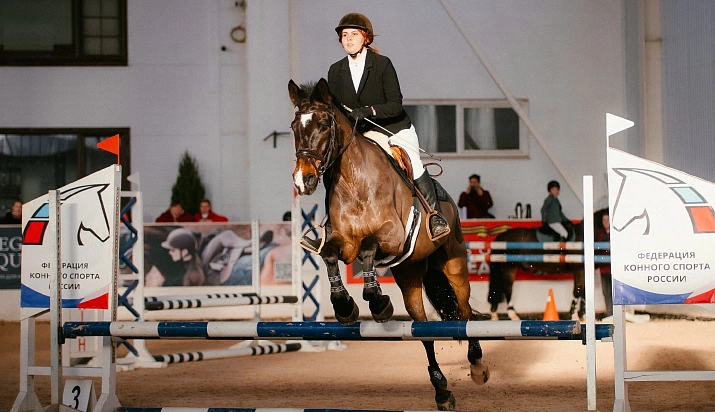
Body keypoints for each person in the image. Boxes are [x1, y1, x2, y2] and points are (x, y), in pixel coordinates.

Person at [301, 12, 449, 253]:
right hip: (360, 135)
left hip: (392, 128)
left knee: (413, 162)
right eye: (344, 36)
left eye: (353, 35)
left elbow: (395, 104)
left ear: (366, 38)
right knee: (335, 168)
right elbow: (334, 110)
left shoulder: (382, 65)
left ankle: (434, 216)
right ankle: (328, 226)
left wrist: (366, 111)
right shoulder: (335, 70)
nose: (348, 40)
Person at [595, 210, 612, 319]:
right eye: (604, 220)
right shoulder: (600, 234)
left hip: (614, 269)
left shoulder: (616, 233)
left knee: (615, 292)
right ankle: (609, 312)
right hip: (604, 268)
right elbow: (597, 251)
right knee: (606, 292)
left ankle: (616, 313)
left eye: (607, 220)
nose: (605, 222)